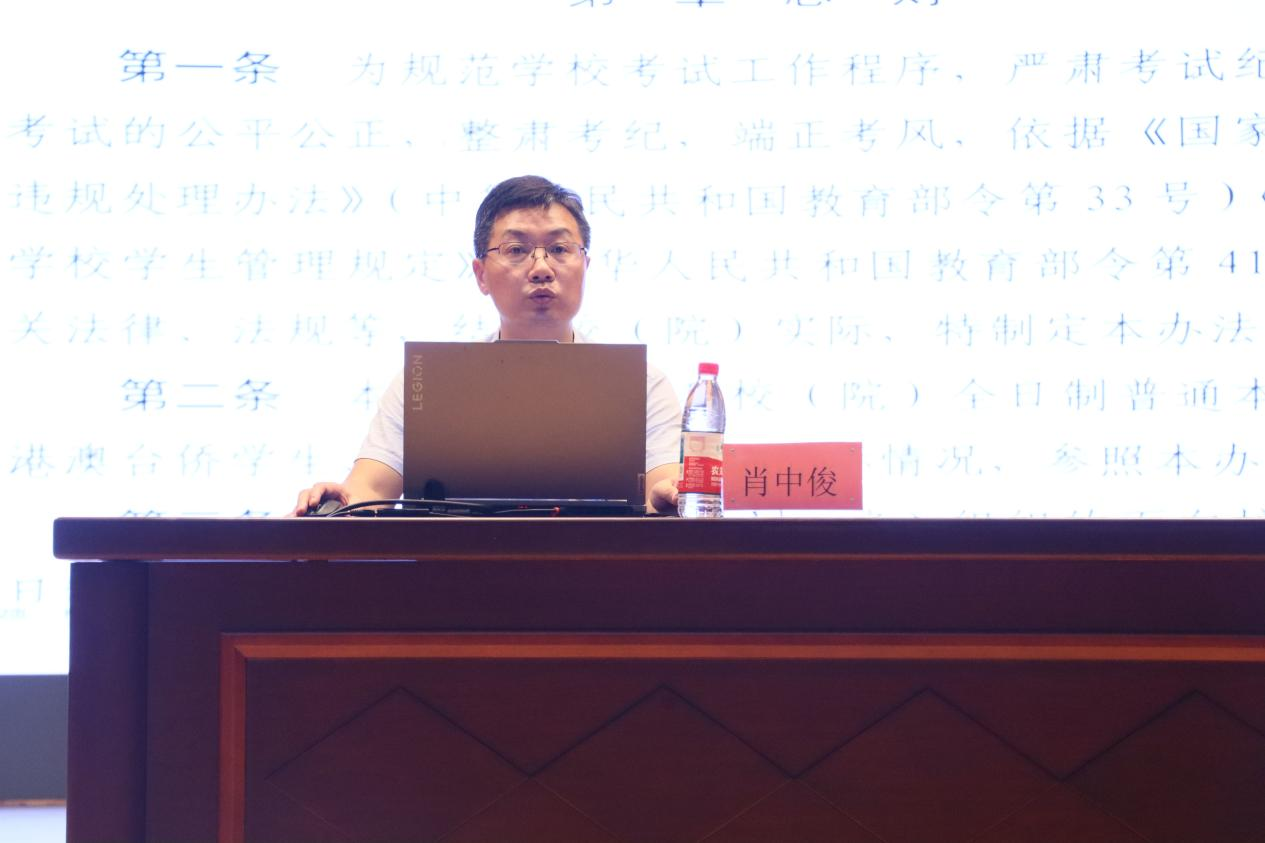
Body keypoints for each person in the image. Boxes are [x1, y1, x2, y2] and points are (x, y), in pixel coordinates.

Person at [292, 175, 682, 515]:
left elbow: (661, 485)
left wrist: (669, 495)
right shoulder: (428, 381)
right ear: (480, 274)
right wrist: (336, 504)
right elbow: (370, 490)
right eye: (516, 251)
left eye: (560, 249)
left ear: (585, 265)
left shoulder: (641, 383)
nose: (541, 268)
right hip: (456, 573)